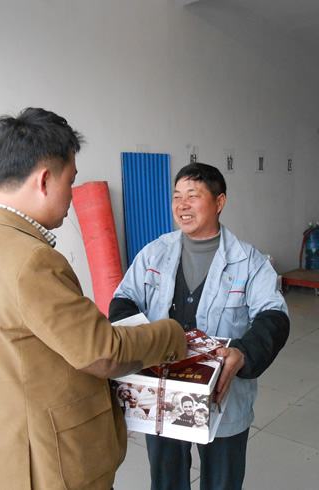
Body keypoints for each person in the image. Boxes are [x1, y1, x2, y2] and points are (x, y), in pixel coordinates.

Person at [0, 107, 188, 490]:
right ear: (45, 180)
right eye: (71, 181)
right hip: (41, 462)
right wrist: (172, 334)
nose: (73, 196)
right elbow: (102, 352)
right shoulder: (32, 260)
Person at [109, 162, 290, 490]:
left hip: (223, 394)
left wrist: (244, 353)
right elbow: (124, 301)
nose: (182, 205)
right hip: (163, 392)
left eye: (193, 196)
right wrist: (137, 348)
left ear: (219, 202)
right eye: (177, 196)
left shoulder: (249, 262)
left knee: (222, 482)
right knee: (166, 480)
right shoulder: (154, 253)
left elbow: (274, 317)